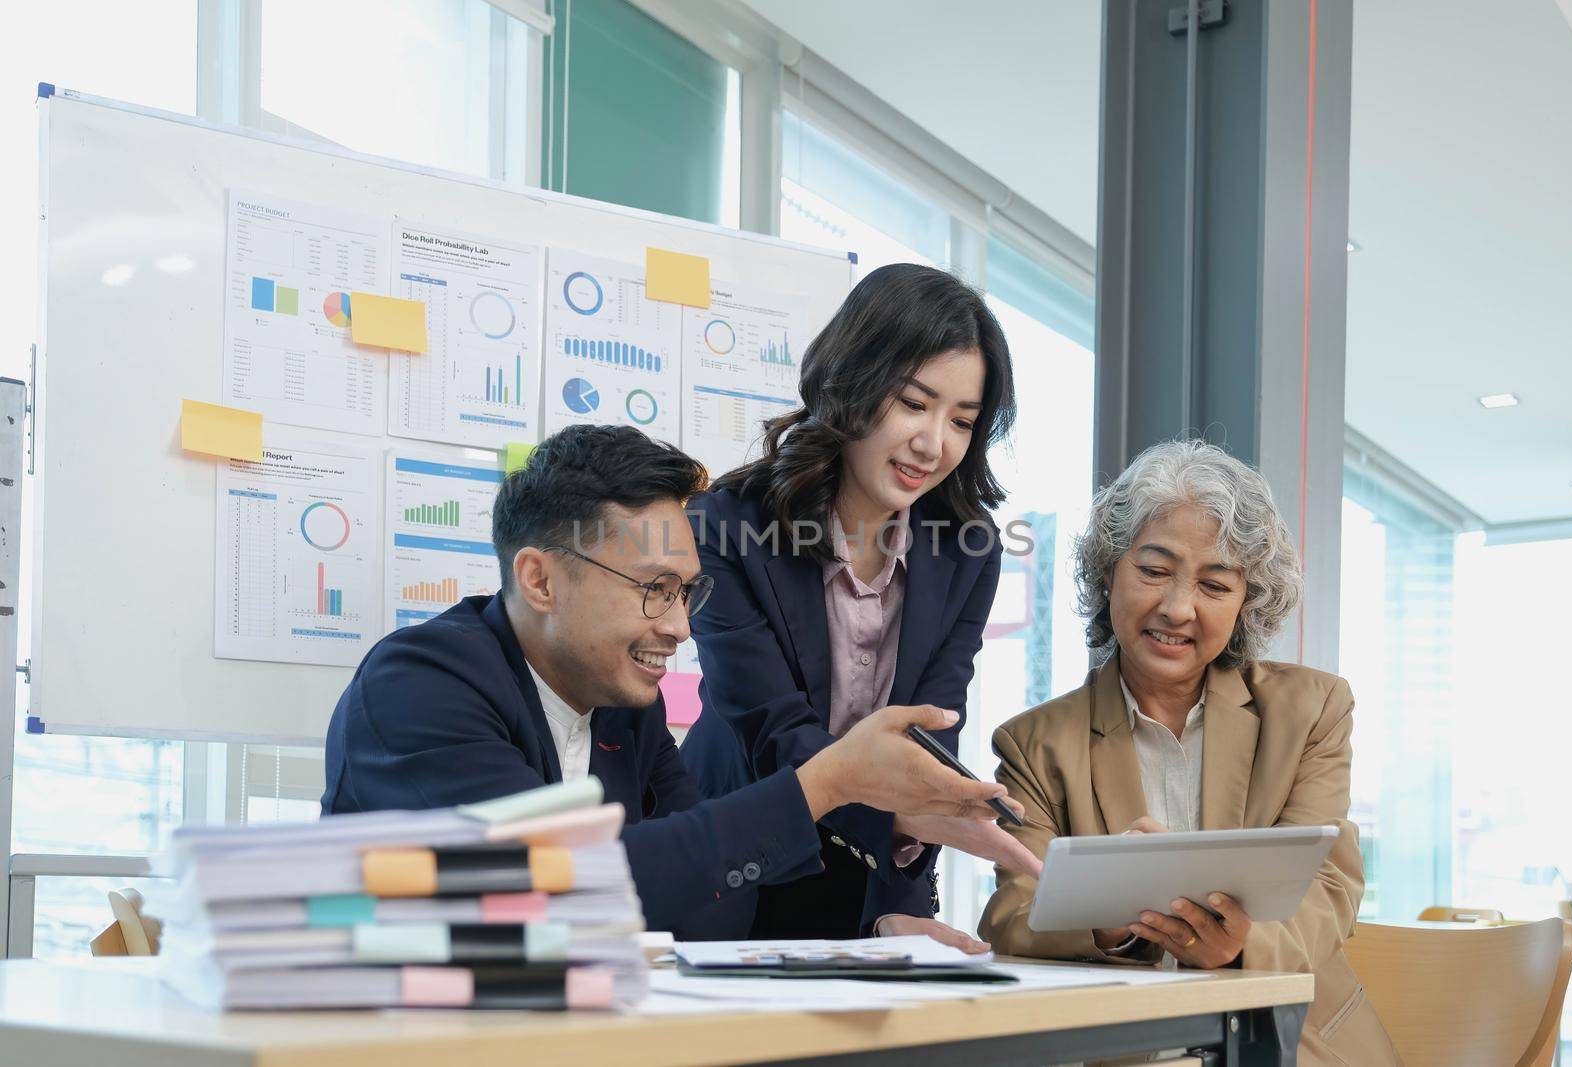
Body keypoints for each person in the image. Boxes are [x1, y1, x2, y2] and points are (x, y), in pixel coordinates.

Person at [322, 424, 1020, 940]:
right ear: (539, 578)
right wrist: (828, 781)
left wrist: (869, 943)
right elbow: (562, 879)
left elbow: (702, 893)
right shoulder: (418, 684)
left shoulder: (622, 709)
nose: (681, 628)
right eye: (654, 588)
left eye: (687, 591)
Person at [978, 439, 1400, 1067]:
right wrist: (1111, 917)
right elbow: (1012, 914)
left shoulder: (1312, 709)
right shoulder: (1035, 743)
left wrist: (1238, 945)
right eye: (1153, 570)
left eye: (1214, 583)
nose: (1178, 607)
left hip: (1289, 1043)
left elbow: (1330, 886)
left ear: (1246, 600)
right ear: (1108, 571)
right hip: (1125, 1050)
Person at [682, 264, 1040, 949]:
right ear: (853, 380)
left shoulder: (967, 551)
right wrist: (909, 818)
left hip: (866, 893)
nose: (933, 443)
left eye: (962, 420)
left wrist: (897, 901)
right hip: (728, 875)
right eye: (913, 402)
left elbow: (931, 734)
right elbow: (773, 736)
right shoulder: (725, 528)